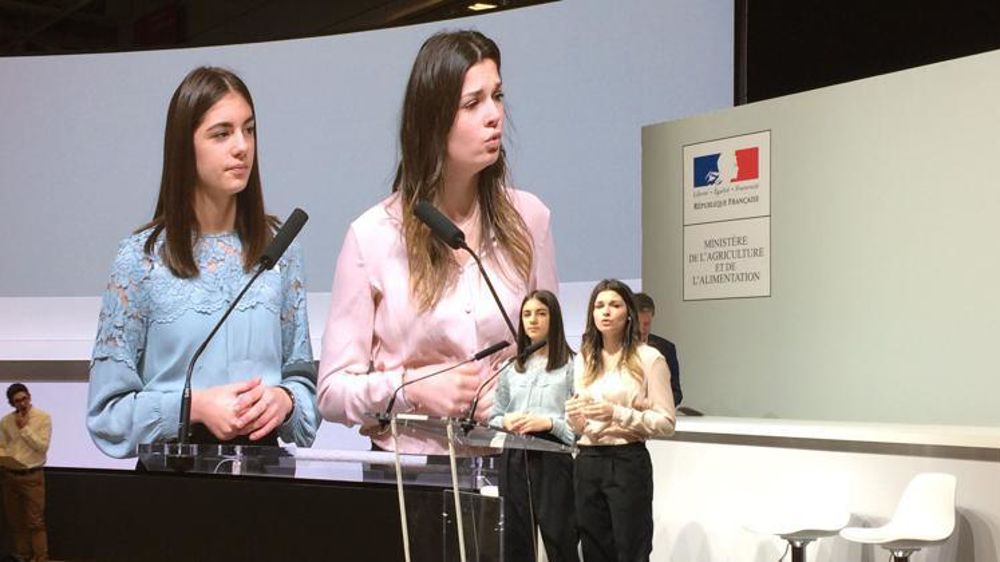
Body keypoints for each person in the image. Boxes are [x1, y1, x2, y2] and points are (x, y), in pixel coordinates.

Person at [317, 30, 558, 454]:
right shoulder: (372, 235)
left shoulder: (530, 218)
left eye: (497, 96)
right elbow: (332, 393)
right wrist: (412, 389)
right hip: (408, 479)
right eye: (472, 103)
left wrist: (513, 388)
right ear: (432, 121)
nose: (494, 116)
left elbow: (552, 358)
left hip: (511, 464)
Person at [87, 67, 319, 460]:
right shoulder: (140, 259)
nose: (242, 146)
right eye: (221, 133)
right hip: (174, 482)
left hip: (266, 482)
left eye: (249, 130)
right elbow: (107, 415)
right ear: (184, 146)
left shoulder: (280, 248)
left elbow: (304, 387)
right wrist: (194, 406)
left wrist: (285, 399)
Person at [565, 280, 676, 562]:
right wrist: (575, 419)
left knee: (630, 549)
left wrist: (616, 413)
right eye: (599, 306)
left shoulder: (649, 358)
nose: (605, 312)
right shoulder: (585, 358)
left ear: (629, 313)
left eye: (614, 305)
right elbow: (580, 424)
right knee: (593, 550)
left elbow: (666, 422)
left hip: (626, 460)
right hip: (587, 460)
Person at [488, 290, 578, 562]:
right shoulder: (510, 367)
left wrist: (548, 422)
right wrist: (506, 421)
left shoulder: (571, 366)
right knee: (516, 539)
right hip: (514, 456)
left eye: (541, 313)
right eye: (527, 314)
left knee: (560, 538)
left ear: (555, 319)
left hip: (553, 456)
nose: (533, 320)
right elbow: (494, 417)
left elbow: (577, 428)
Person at [0, 383, 51, 562]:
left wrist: (24, 429)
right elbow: (3, 446)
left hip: (32, 476)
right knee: (15, 521)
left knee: (35, 522)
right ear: (11, 403)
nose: (22, 404)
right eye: (17, 401)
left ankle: (40, 557)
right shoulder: (6, 421)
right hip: (10, 475)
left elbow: (42, 447)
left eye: (24, 399)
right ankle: (22, 556)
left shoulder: (43, 418)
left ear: (29, 397)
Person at [633, 292, 682, 406]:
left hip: (654, 417)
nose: (641, 329)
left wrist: (651, 404)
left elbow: (676, 393)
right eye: (637, 324)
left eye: (646, 323)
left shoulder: (666, 349)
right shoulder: (614, 348)